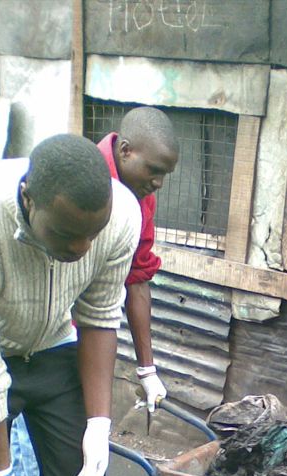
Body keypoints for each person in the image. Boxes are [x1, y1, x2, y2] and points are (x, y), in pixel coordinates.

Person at [0, 134, 141, 476]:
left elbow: (102, 314)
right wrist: (1, 475)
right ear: (29, 199)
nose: (81, 248)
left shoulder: (122, 216)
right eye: (65, 234)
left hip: (56, 345)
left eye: (91, 235)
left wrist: (98, 423)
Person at [97, 107, 179, 412]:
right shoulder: (86, 180)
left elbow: (138, 276)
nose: (158, 182)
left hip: (94, 327)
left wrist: (147, 370)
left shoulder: (142, 198)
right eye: (154, 170)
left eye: (165, 175)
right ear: (126, 151)